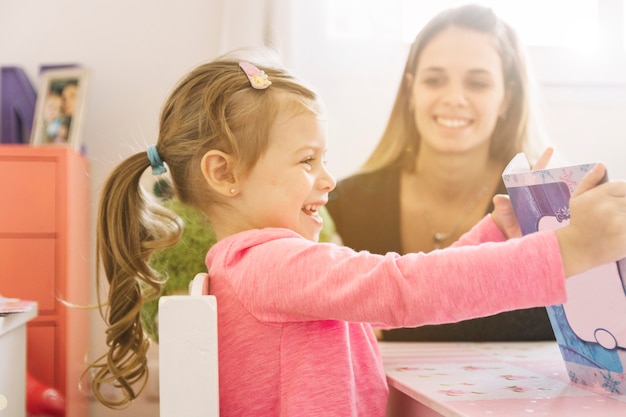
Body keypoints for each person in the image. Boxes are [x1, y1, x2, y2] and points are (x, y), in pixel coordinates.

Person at [88, 48, 626, 416]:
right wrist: (568, 249)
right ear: (223, 174)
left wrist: (495, 233)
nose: (326, 179)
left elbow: (384, 297)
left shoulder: (256, 269)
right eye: (306, 160)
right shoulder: (269, 264)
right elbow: (400, 289)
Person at [326, 4, 557, 341]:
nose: (454, 98)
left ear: (506, 98)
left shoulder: (547, 208)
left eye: (477, 83)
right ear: (411, 91)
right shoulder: (340, 206)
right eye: (435, 80)